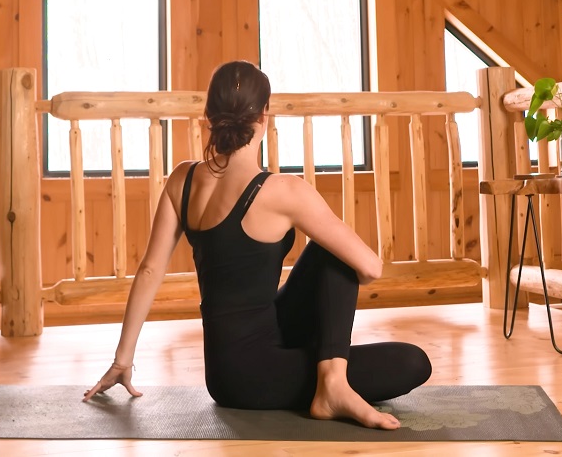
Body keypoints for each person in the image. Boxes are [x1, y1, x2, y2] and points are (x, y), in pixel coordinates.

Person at [83, 61, 431, 430]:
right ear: (265, 115)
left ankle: (332, 380)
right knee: (412, 362)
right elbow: (371, 268)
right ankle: (332, 385)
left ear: (209, 117)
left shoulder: (182, 180)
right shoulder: (284, 191)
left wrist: (123, 360)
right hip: (255, 380)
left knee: (329, 250)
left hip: (223, 374)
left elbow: (150, 270)